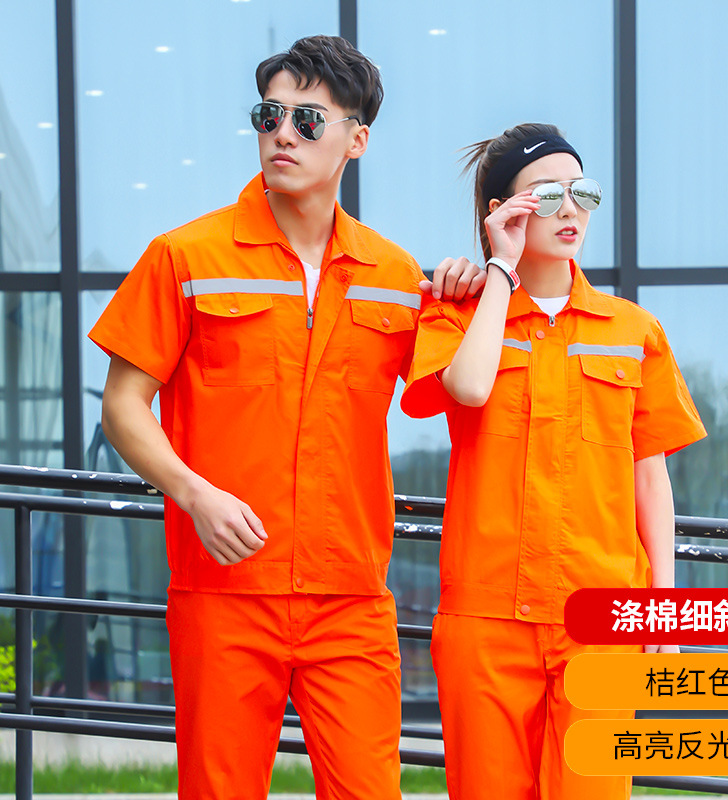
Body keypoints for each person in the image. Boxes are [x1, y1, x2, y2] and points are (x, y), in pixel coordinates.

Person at [89, 35, 484, 800]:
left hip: (351, 597)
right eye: (269, 115)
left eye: (308, 120)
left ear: (356, 140)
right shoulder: (185, 257)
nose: (282, 134)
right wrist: (194, 493)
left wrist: (478, 289)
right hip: (224, 590)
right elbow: (122, 406)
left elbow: (461, 390)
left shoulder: (396, 276)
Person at [401, 122, 707, 800]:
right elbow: (467, 389)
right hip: (486, 620)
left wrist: (666, 606)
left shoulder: (632, 331)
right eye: (545, 195)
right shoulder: (457, 315)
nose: (570, 209)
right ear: (502, 212)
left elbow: (649, 475)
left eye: (582, 192)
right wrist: (498, 272)